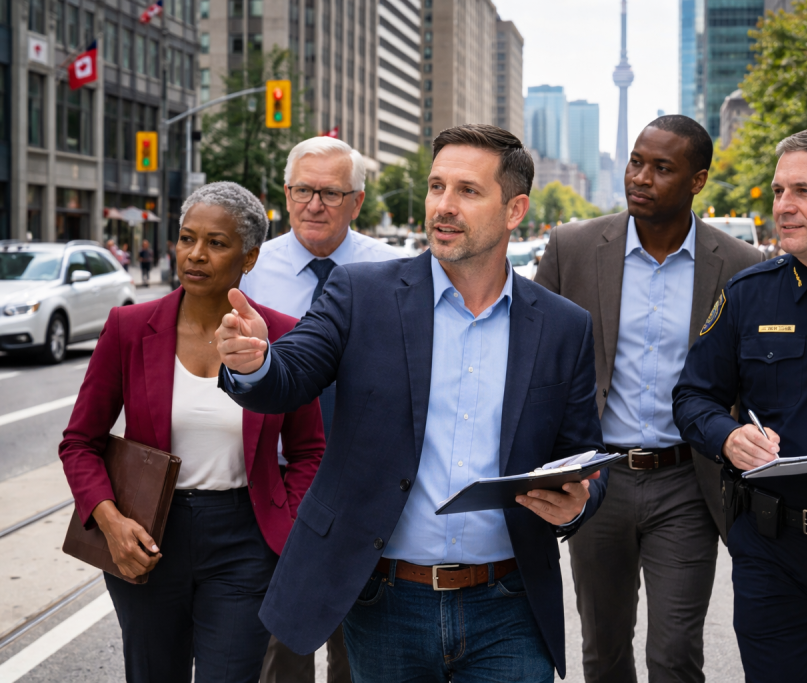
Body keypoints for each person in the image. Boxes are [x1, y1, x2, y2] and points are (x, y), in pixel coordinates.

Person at [215, 124, 607, 682]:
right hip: (387, 603)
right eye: (436, 187)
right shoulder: (360, 293)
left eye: (468, 191)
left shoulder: (563, 326)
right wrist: (254, 362)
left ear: (515, 209)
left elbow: (583, 453)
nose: (443, 207)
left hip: (509, 604)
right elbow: (290, 375)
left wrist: (581, 501)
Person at [59, 182, 325, 683]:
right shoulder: (129, 327)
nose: (196, 255)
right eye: (186, 238)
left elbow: (310, 449)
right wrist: (111, 522)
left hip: (246, 540)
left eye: (216, 243)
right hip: (148, 535)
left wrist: (284, 526)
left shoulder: (285, 335)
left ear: (249, 258)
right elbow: (80, 441)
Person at [535, 115, 762, 683]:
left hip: (688, 481)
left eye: (662, 168)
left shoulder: (738, 265)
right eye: (637, 162)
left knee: (676, 653)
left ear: (697, 180)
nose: (640, 177)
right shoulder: (573, 247)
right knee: (602, 648)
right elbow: (531, 354)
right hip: (598, 477)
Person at [673, 127, 807, 683]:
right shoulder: (747, 294)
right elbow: (693, 395)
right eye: (777, 192)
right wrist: (725, 435)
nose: (783, 207)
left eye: (803, 191)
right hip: (771, 547)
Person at [240, 136, 402, 683]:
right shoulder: (250, 271)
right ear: (285, 195)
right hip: (278, 480)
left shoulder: (396, 270)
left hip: (364, 480)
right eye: (304, 190)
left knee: (362, 644)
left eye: (331, 193)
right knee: (283, 643)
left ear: (357, 201)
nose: (315, 204)